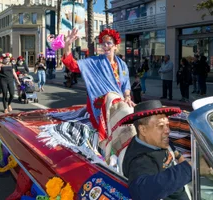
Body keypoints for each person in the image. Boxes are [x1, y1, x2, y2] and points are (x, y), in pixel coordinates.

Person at [62, 28, 136, 160]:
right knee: (124, 113)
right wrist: (67, 45)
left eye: (108, 43)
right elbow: (72, 65)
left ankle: (126, 152)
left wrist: (127, 97)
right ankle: (107, 155)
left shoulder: (122, 65)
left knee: (131, 113)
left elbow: (126, 85)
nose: (105, 46)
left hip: (119, 103)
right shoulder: (94, 62)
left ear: (115, 45)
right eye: (103, 43)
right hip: (100, 105)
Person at [121, 100, 191, 200]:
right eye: (161, 126)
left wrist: (179, 157)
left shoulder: (157, 141)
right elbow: (141, 192)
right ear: (143, 130)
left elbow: (172, 150)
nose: (168, 131)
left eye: (167, 125)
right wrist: (190, 168)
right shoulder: (141, 159)